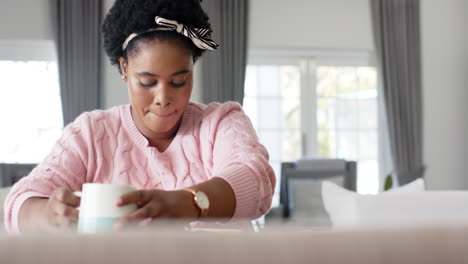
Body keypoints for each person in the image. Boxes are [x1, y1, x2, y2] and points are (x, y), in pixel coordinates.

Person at [3, 0, 275, 233]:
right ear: (124, 68)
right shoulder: (90, 133)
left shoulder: (221, 122)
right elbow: (19, 204)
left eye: (179, 81)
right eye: (148, 82)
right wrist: (48, 215)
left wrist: (183, 203)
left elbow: (255, 181)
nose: (163, 97)